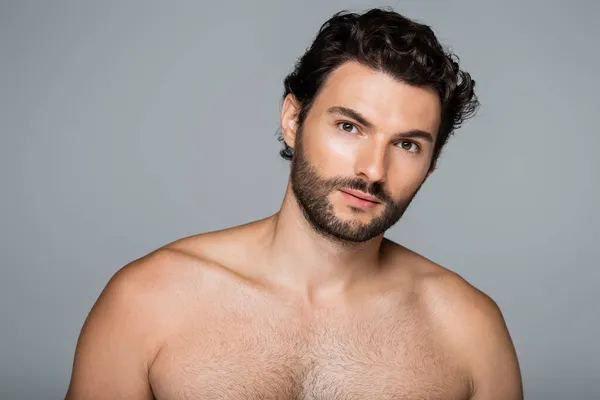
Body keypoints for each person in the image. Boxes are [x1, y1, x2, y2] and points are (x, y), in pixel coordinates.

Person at [66, 8, 523, 400]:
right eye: (349, 127)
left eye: (406, 145)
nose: (374, 170)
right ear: (292, 119)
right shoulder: (148, 300)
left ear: (433, 162)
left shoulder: (469, 332)